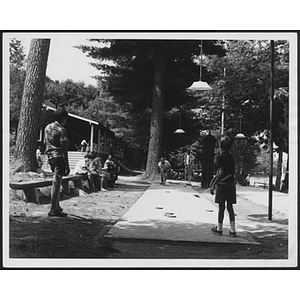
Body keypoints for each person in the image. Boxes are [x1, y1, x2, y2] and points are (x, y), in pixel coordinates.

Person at [44, 108, 70, 217]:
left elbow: (46, 143)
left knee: (56, 182)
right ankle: (53, 209)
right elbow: (63, 148)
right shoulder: (61, 129)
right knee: (56, 183)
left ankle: (57, 207)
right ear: (63, 118)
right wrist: (67, 165)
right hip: (58, 157)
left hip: (50, 157)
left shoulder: (47, 127)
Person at [210, 136, 237, 237]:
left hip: (222, 186)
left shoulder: (219, 158)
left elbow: (220, 173)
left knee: (221, 207)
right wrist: (213, 180)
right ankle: (233, 230)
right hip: (231, 184)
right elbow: (231, 172)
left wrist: (213, 184)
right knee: (230, 207)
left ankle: (219, 228)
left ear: (221, 147)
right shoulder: (231, 158)